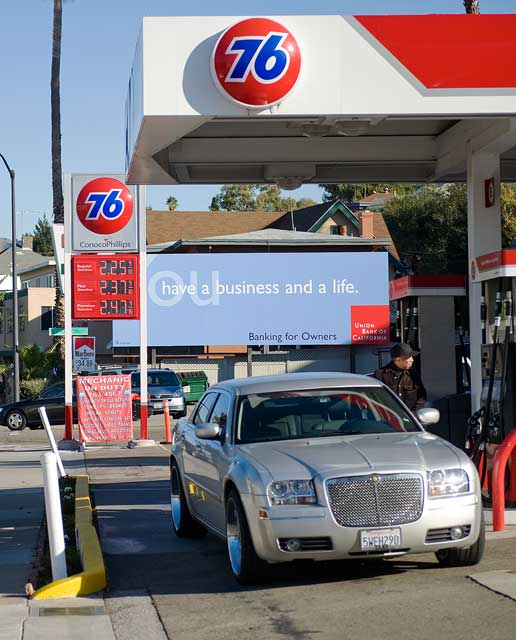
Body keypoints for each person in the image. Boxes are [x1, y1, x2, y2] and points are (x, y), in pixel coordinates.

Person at [374, 343, 427, 412]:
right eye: (409, 357)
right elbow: (376, 400)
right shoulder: (380, 375)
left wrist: (414, 414)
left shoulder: (413, 375)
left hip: (410, 419)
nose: (412, 360)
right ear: (398, 359)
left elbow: (421, 397)